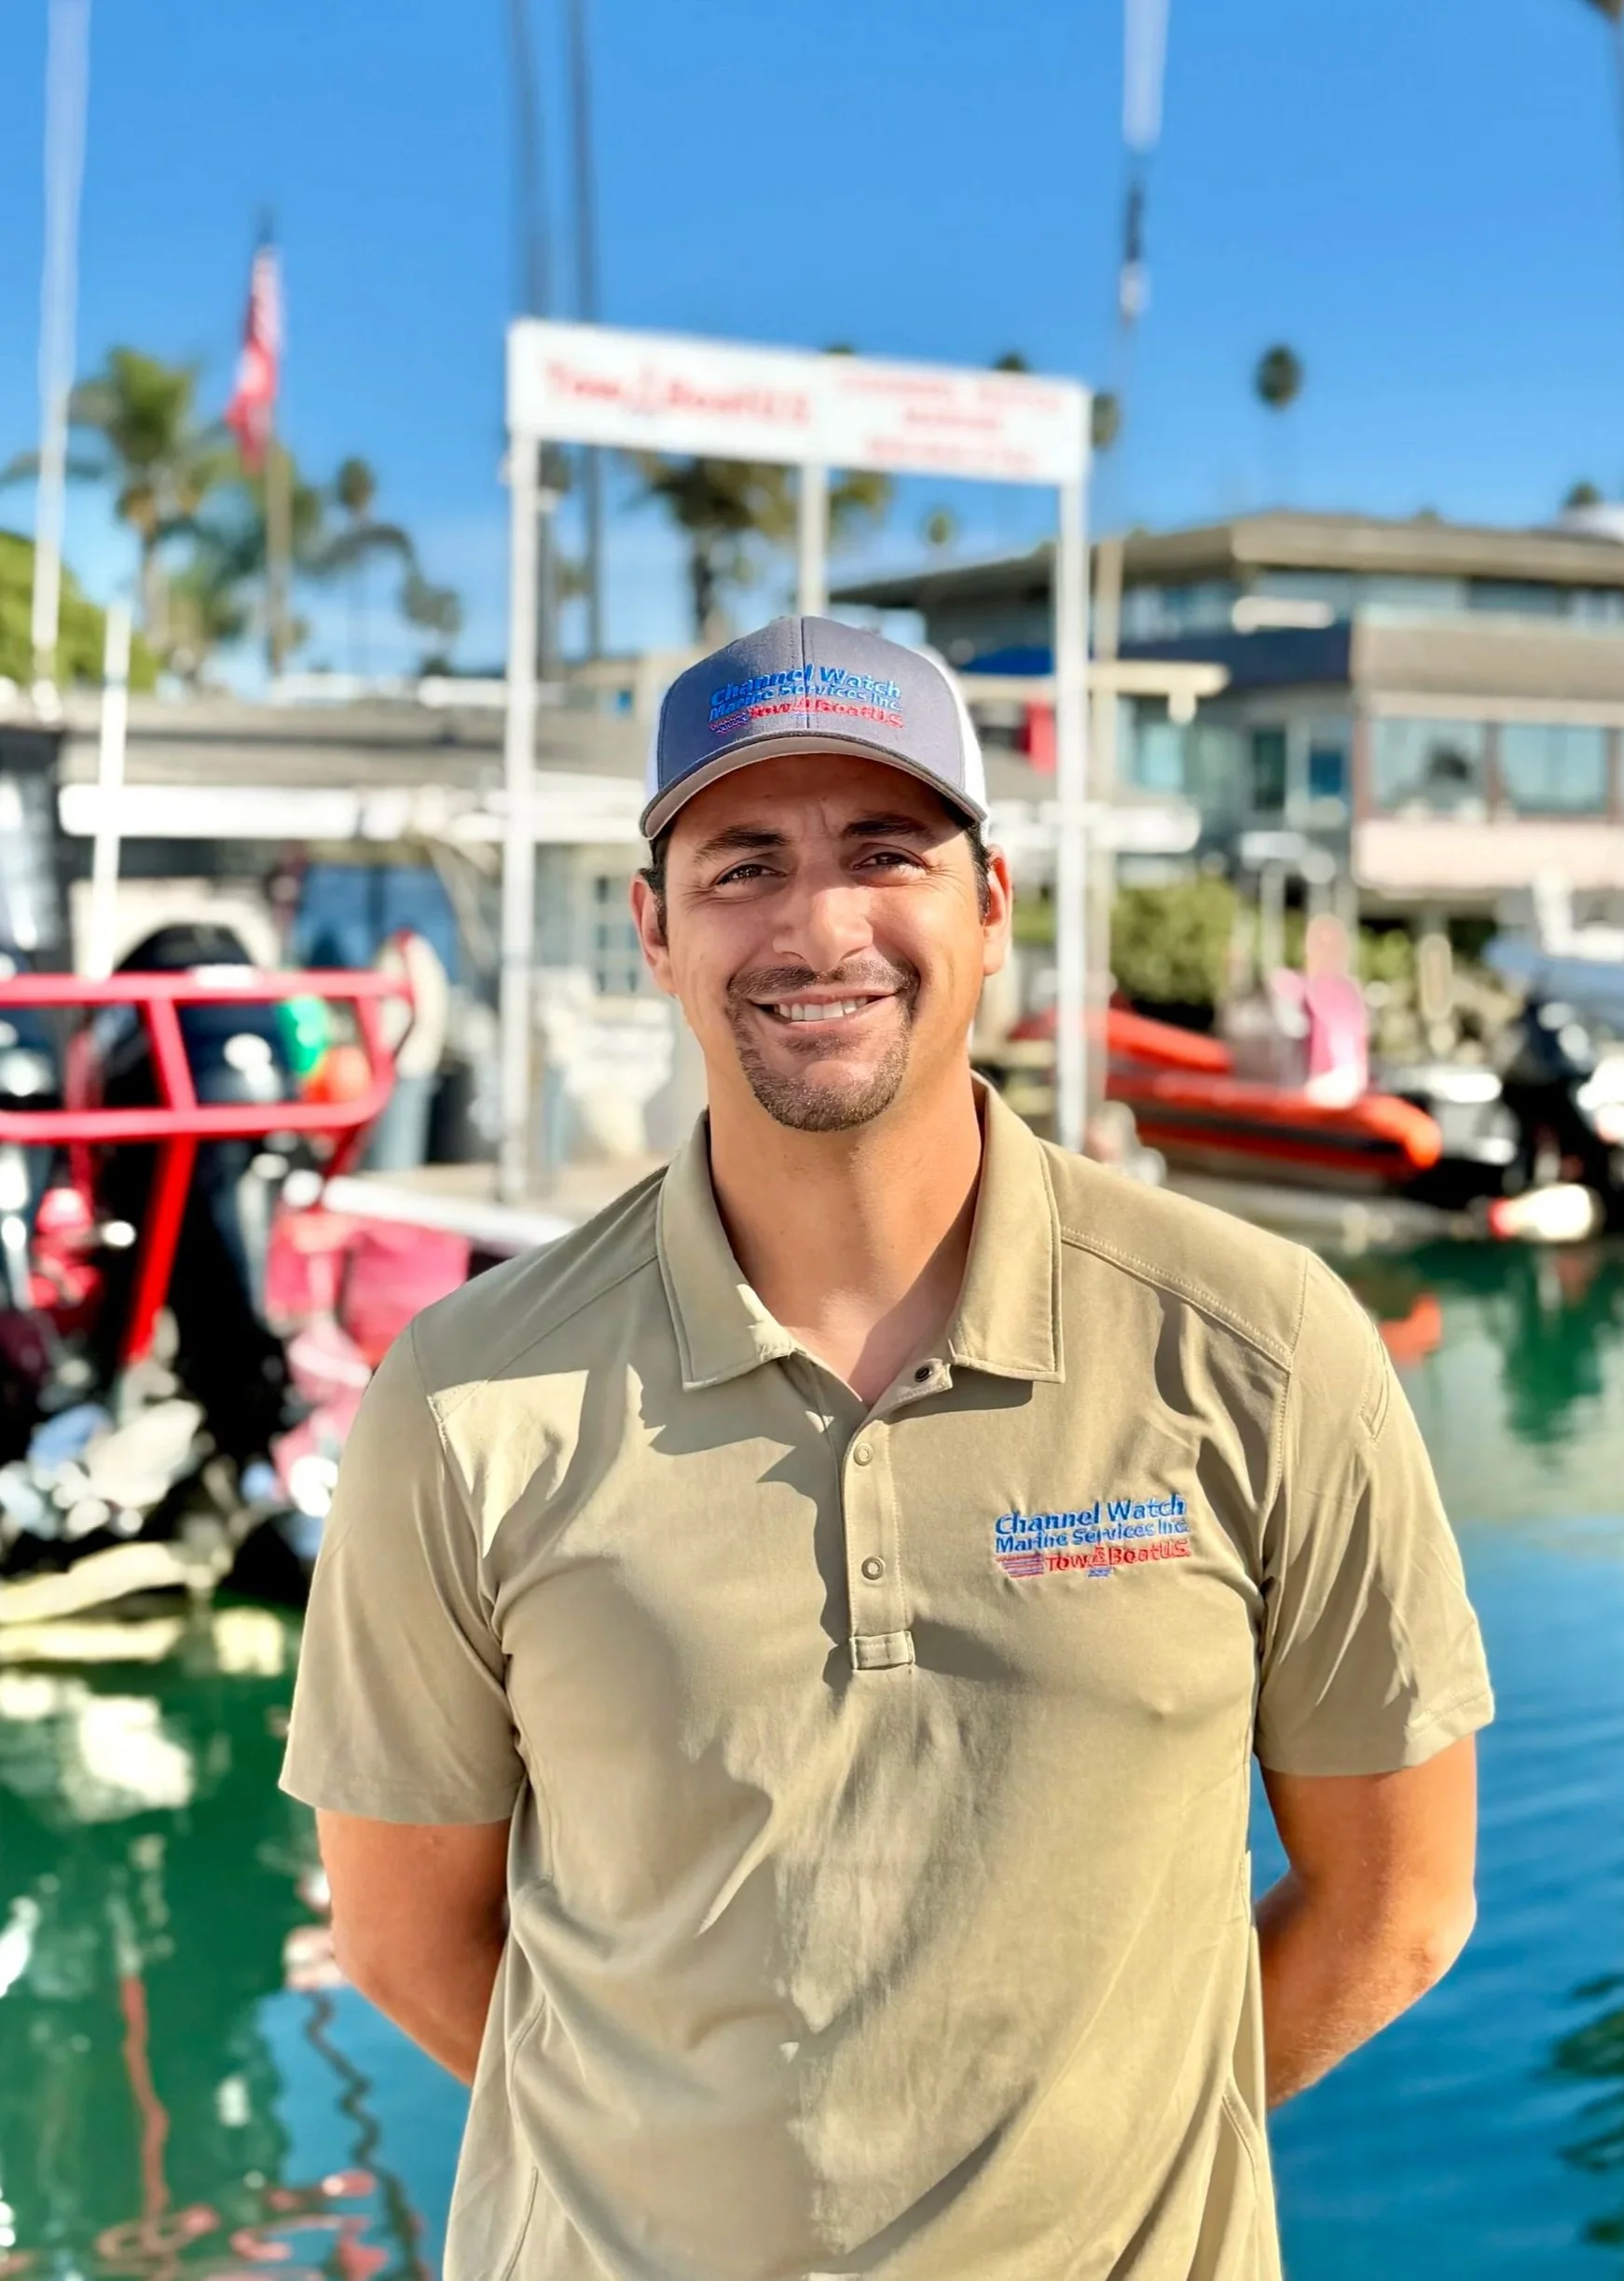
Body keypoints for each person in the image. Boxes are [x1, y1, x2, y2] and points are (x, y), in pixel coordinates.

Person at [282, 617, 1493, 2281]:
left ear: (992, 908)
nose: (818, 922)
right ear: (653, 928)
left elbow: (1398, 1898)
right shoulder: (468, 1392)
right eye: (743, 865)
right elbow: (408, 1934)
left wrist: (1106, 2156)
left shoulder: (1262, 1347)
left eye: (885, 850)